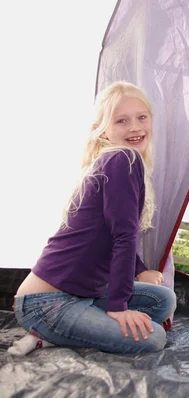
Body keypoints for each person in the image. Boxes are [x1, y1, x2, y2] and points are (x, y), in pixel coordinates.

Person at [9, 81, 176, 356]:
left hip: (84, 293)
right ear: (104, 131)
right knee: (154, 338)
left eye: (141, 117)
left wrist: (139, 271)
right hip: (45, 302)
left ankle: (55, 335)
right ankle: (49, 331)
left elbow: (113, 232)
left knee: (162, 300)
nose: (135, 127)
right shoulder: (123, 159)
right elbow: (124, 236)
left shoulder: (118, 160)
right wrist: (118, 308)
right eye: (121, 120)